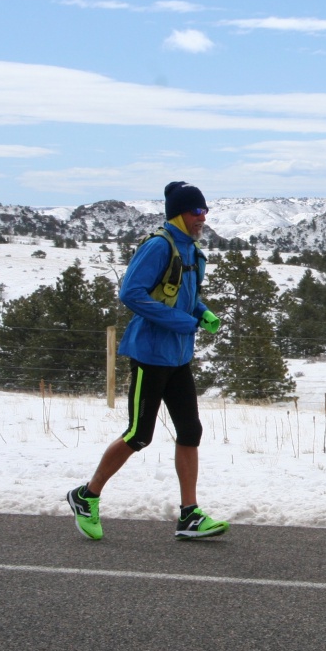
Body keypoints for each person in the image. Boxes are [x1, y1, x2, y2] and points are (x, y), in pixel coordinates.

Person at [67, 181, 227, 540]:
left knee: (190, 431)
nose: (202, 217)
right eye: (196, 211)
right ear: (179, 214)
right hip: (150, 355)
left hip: (178, 356)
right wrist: (182, 321)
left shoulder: (190, 250)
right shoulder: (159, 246)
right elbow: (131, 293)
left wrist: (201, 312)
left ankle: (189, 515)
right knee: (139, 435)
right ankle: (86, 496)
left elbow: (183, 298)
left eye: (205, 211)